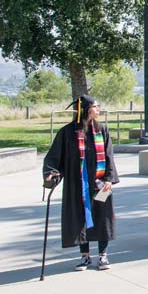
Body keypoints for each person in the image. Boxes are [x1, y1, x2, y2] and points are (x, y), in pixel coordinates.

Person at [42, 95, 118, 270]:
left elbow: (109, 156)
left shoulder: (101, 130)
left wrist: (109, 179)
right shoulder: (68, 132)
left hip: (100, 184)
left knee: (103, 217)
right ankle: (85, 256)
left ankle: (103, 256)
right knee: (80, 218)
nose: (98, 109)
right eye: (95, 107)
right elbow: (54, 157)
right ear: (85, 110)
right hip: (77, 184)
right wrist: (50, 173)